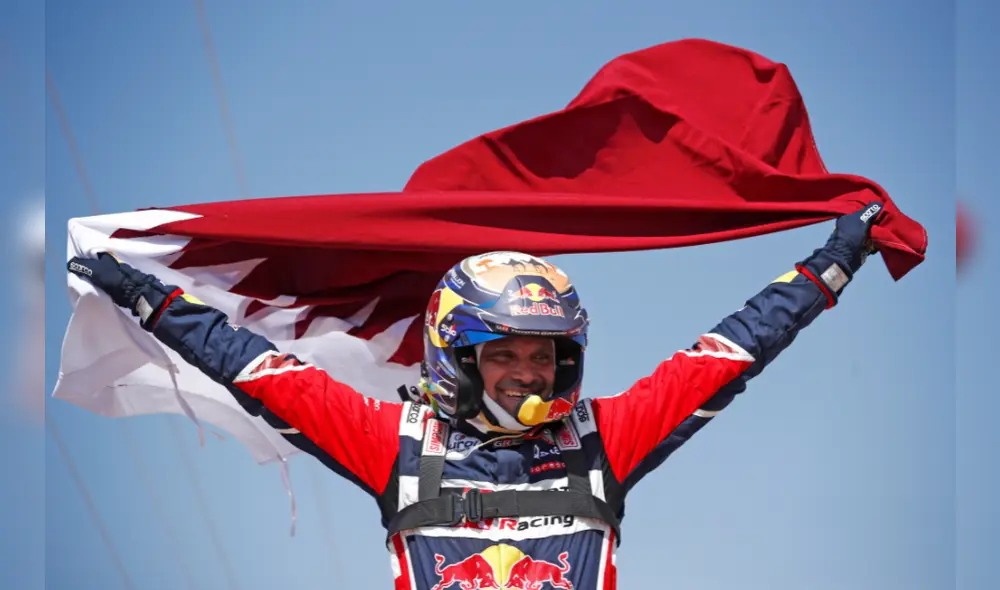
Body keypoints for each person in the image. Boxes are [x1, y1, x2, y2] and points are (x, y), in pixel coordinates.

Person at [67, 202, 884, 589]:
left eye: (545, 355)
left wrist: (833, 264)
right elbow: (254, 367)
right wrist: (143, 295)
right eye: (506, 354)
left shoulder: (604, 438)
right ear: (457, 359)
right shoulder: (396, 444)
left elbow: (732, 351)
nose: (530, 372)